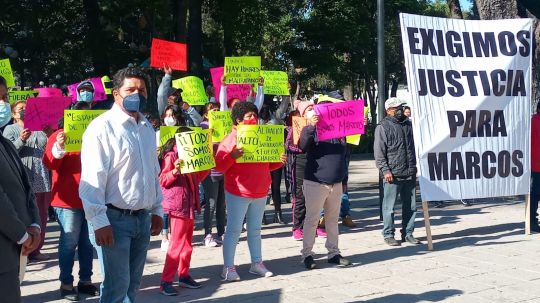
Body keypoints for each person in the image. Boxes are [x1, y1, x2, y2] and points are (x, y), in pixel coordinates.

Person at [79, 67, 164, 303]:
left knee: (132, 286)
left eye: (142, 90)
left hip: (142, 219)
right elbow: (92, 178)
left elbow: (152, 172)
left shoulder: (147, 128)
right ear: (116, 94)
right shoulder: (102, 128)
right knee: (116, 288)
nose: (137, 94)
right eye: (130, 89)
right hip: (114, 220)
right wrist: (98, 221)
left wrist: (157, 210)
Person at [215, 101, 286, 281]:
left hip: (260, 190)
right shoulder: (230, 139)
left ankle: (257, 263)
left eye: (255, 115)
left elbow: (269, 164)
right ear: (238, 120)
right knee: (234, 231)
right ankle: (228, 267)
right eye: (249, 116)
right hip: (238, 192)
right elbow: (219, 166)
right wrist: (232, 156)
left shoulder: (262, 136)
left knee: (255, 230)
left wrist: (279, 160)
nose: (253, 118)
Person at [43, 101, 100, 301]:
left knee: (87, 243)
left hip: (91, 199)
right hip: (67, 201)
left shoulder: (95, 138)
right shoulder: (59, 136)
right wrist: (59, 146)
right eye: (81, 116)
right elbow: (50, 162)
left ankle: (85, 281)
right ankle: (66, 283)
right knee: (69, 243)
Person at [299, 99, 351, 270]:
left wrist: (344, 180)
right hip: (316, 183)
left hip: (336, 183)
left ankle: (333, 253)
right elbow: (303, 145)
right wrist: (312, 127)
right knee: (312, 220)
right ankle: (307, 254)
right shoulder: (312, 130)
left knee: (332, 220)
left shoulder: (340, 133)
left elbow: (344, 158)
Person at [158, 127, 210, 296]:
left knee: (187, 244)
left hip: (189, 204)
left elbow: (197, 178)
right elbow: (163, 180)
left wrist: (206, 164)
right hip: (178, 205)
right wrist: (174, 171)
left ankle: (184, 274)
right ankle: (166, 280)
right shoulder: (171, 156)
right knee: (176, 244)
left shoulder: (191, 154)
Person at [3, 101, 52, 261]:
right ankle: (24, 246)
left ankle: (37, 248)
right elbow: (8, 152)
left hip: (41, 174)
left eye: (26, 108)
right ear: (14, 114)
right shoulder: (11, 129)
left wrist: (48, 134)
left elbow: (47, 148)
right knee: (25, 211)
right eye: (20, 109)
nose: (24, 111)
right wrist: (21, 140)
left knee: (41, 213)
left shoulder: (38, 127)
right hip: (24, 173)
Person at [0, 131, 42, 303]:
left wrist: (34, 224)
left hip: (14, 250)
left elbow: (26, 188)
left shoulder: (6, 143)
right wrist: (22, 235)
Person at [374, 97, 420, 247]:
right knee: (389, 207)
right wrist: (385, 170)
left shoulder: (409, 125)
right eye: (397, 107)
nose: (400, 109)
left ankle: (408, 233)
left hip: (409, 171)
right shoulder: (382, 127)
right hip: (392, 174)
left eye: (401, 106)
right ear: (389, 110)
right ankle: (388, 234)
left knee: (411, 206)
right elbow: (379, 152)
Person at [200, 102, 226, 247]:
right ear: (206, 114)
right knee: (211, 203)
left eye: (217, 109)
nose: (216, 112)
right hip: (210, 172)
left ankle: (222, 232)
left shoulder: (225, 125)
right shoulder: (203, 126)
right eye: (212, 110)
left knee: (222, 204)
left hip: (224, 170)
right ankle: (207, 234)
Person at [530, 101, 540, 232]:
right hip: (537, 164)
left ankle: (532, 220)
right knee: (536, 193)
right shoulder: (534, 121)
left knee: (536, 193)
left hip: (535, 164)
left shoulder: (532, 121)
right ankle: (532, 221)